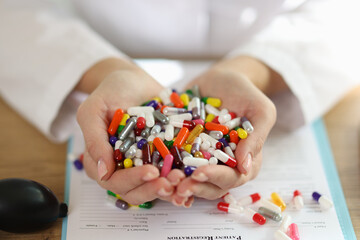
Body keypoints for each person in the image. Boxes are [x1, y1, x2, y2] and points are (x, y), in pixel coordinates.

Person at [0, 0, 359, 208]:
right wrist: (101, 70)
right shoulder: (172, 129)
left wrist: (254, 70)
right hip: (96, 48)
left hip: (273, 53)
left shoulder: (196, 128)